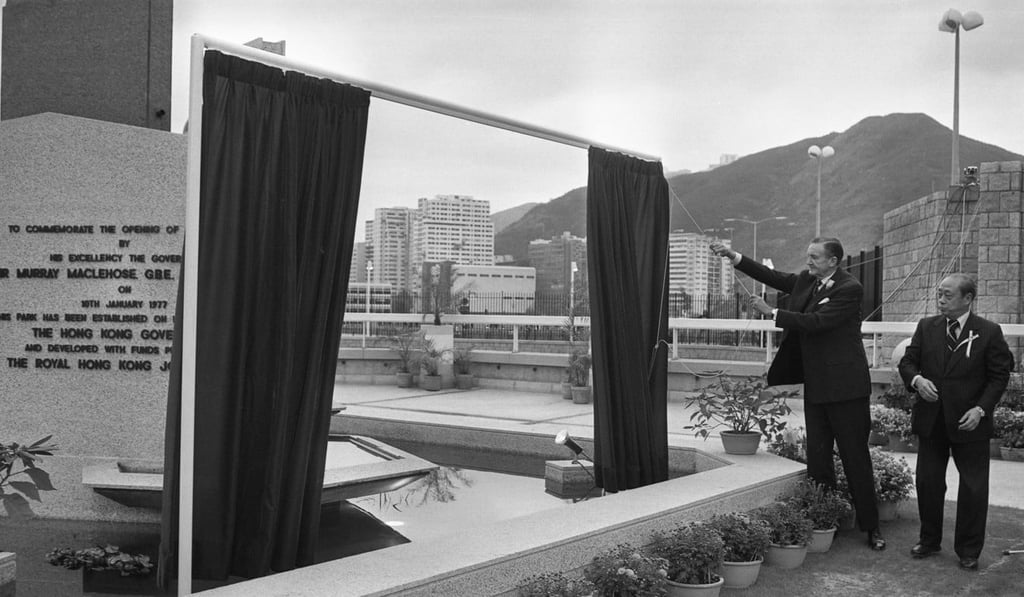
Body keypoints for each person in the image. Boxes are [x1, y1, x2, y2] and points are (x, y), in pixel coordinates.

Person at [710, 236, 885, 550]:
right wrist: (733, 256)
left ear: (833, 260)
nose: (809, 262)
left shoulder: (850, 288)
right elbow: (774, 278)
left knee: (854, 457)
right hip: (817, 385)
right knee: (818, 457)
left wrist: (771, 313)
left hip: (847, 389)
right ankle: (824, 518)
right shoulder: (807, 280)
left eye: (815, 257)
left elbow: (818, 322)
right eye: (808, 256)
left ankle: (871, 528)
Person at [897, 273, 1013, 570]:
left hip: (969, 421)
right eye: (939, 294)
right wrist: (917, 380)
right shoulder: (927, 327)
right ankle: (929, 539)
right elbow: (907, 362)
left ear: (968, 298)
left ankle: (968, 549)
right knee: (927, 482)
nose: (941, 300)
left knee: (974, 487)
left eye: (948, 295)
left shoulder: (988, 331)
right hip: (932, 419)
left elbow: (999, 376)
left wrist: (981, 410)